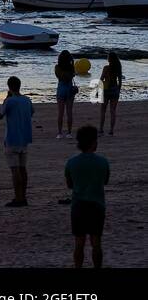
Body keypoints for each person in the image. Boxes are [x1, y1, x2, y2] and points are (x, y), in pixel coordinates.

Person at [64, 125, 110, 268]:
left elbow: (70, 184)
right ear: (93, 142)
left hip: (78, 205)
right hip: (97, 205)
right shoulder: (103, 162)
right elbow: (105, 181)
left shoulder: (71, 162)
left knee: (79, 242)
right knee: (96, 242)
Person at [0, 76, 34, 207]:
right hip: (24, 137)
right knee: (23, 168)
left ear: (9, 87)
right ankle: (23, 196)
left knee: (15, 170)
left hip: (12, 138)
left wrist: (6, 100)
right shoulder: (27, 100)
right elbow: (32, 112)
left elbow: (0, 115)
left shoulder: (9, 101)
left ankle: (18, 197)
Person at [55, 50, 77, 139]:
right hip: (69, 89)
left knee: (60, 112)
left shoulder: (57, 67)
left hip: (61, 89)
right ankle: (69, 132)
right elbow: (72, 76)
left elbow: (59, 77)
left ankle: (60, 133)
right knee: (69, 112)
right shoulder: (71, 67)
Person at [100, 53, 122, 136]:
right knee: (113, 111)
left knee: (103, 110)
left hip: (106, 90)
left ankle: (101, 129)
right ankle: (111, 130)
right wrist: (118, 91)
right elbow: (120, 82)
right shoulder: (118, 68)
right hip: (114, 89)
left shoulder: (106, 68)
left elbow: (101, 79)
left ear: (109, 59)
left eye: (108, 57)